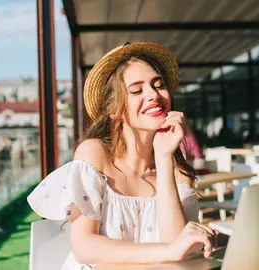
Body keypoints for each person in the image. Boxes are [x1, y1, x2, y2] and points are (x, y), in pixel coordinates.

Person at [27, 42, 218, 269]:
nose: (153, 95)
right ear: (115, 110)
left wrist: (165, 157)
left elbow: (177, 253)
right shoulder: (94, 155)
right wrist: (170, 250)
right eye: (137, 90)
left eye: (158, 85)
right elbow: (84, 247)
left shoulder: (178, 172)